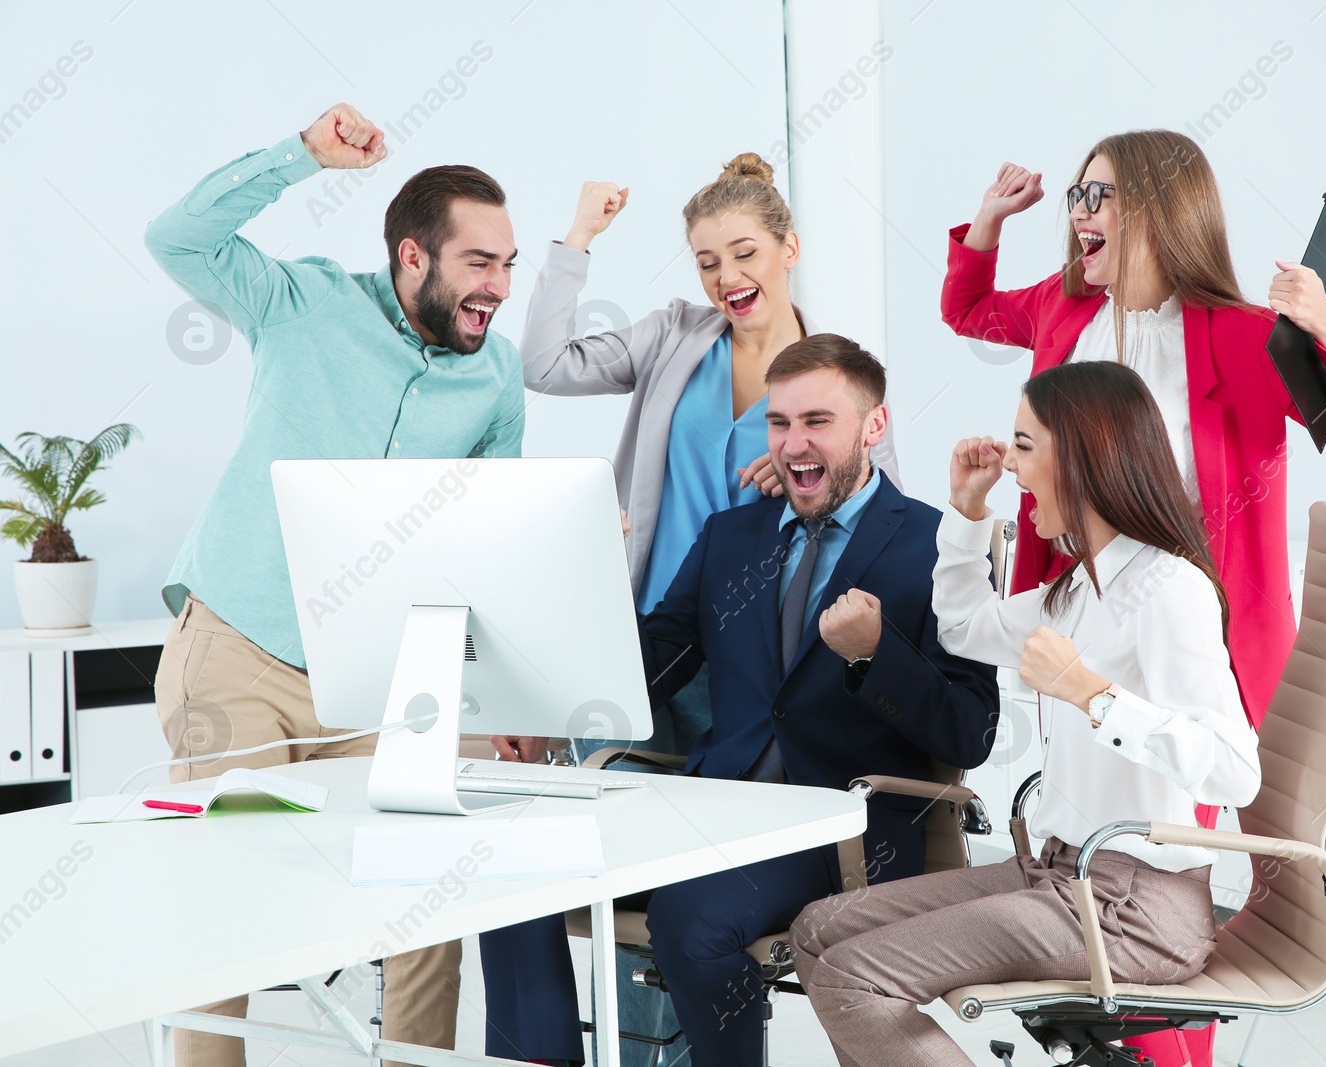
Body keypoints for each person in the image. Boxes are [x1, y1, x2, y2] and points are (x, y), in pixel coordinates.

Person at [941, 131, 1326, 1067]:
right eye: (1076, 195)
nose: (1079, 214)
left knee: (1168, 879)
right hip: (1089, 626)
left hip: (1203, 639)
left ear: (1160, 209)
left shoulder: (1241, 334)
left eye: (1099, 196)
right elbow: (969, 311)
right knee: (1099, 859)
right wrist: (986, 223)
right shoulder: (1062, 314)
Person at [489, 156, 899, 1064]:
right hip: (655, 638)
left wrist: (802, 490)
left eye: (743, 252)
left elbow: (877, 533)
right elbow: (545, 364)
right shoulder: (678, 335)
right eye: (706, 259)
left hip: (757, 663)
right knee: (620, 872)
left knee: (695, 883)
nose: (725, 277)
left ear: (790, 248)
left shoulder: (834, 382)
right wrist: (577, 241)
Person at [491, 335, 997, 1066]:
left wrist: (873, 655)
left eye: (817, 421)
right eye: (779, 422)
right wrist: (584, 604)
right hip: (712, 807)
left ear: (874, 426)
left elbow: (970, 729)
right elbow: (648, 665)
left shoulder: (938, 543)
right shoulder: (733, 535)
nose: (794, 443)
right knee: (513, 866)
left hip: (841, 828)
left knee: (690, 917)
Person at [144, 102, 527, 1067]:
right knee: (228, 911)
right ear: (412, 257)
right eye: (481, 263)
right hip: (242, 647)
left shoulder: (497, 377)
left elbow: (485, 537)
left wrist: (509, 684)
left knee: (424, 896)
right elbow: (176, 238)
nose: (500, 286)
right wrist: (302, 156)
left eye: (509, 265)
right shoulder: (301, 303)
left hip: (376, 675)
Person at [791, 360, 1262, 1067]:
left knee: (855, 975)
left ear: (1082, 456)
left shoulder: (1169, 588)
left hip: (1136, 909)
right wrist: (967, 514)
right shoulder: (1080, 587)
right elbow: (965, 629)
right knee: (817, 930)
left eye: (1024, 444)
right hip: (1057, 875)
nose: (1009, 462)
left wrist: (1092, 694)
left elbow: (1235, 770)